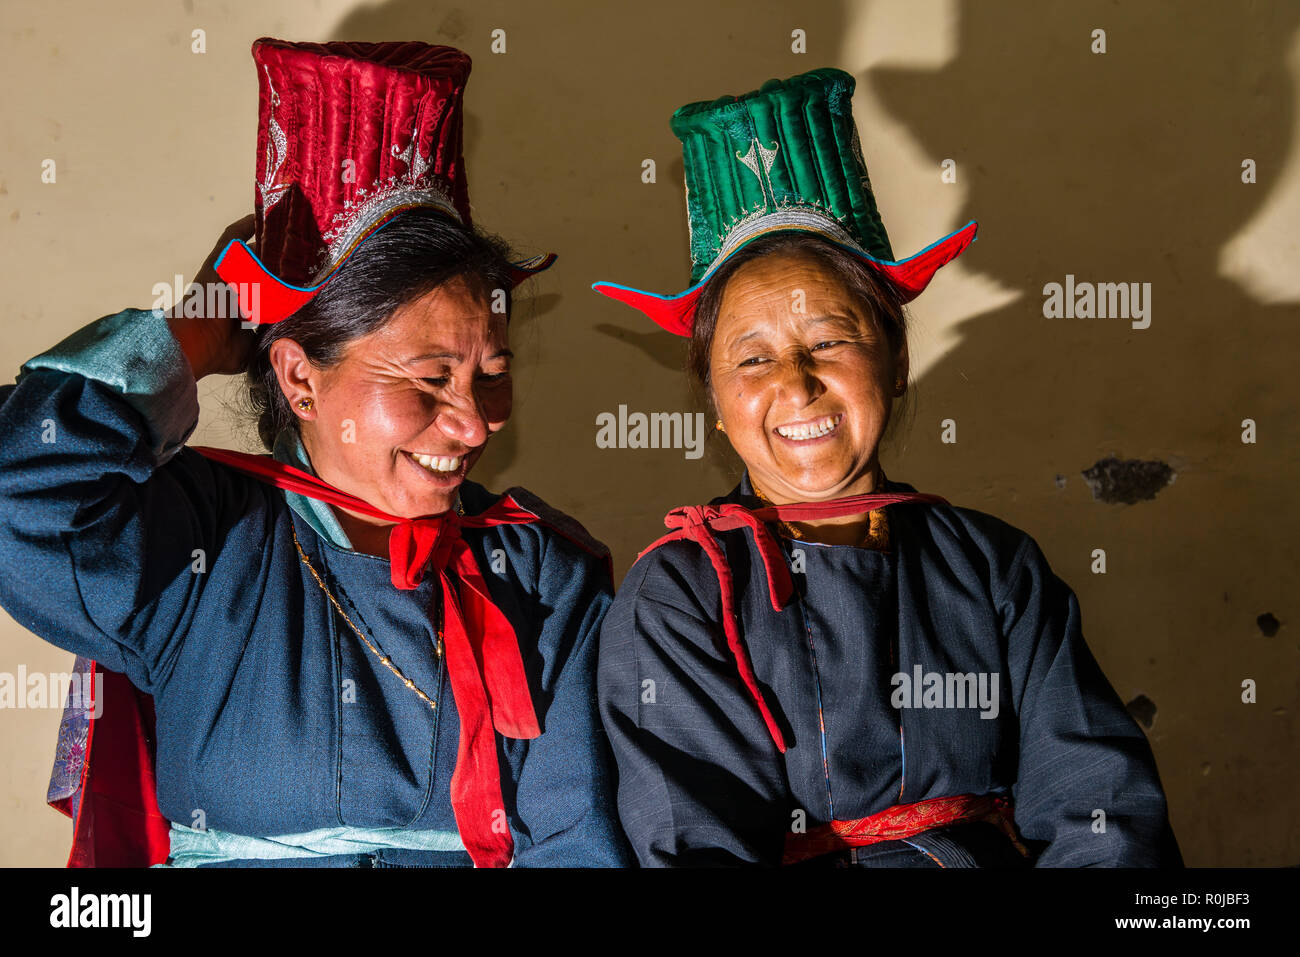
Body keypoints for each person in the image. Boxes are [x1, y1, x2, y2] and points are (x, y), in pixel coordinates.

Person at [1, 38, 629, 868]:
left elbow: (578, 843)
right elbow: (21, 491)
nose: (474, 424)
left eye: (492, 374)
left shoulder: (540, 571)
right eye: (432, 379)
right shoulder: (200, 539)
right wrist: (194, 326)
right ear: (299, 376)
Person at [592, 68, 1180, 867]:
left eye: (829, 341)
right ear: (716, 399)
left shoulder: (992, 565)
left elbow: (1102, 808)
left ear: (897, 359)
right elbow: (696, 844)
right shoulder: (680, 596)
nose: (795, 385)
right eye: (752, 358)